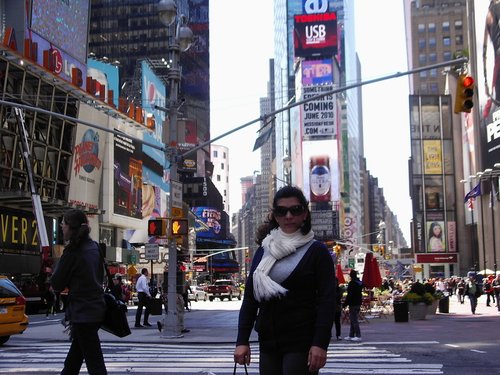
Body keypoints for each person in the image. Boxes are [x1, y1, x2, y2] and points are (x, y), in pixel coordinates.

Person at [234, 186, 335, 375]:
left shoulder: (317, 252)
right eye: (281, 211)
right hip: (268, 341)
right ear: (274, 215)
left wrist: (320, 344)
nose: (288, 216)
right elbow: (250, 299)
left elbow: (327, 301)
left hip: (301, 341)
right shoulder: (264, 251)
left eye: (295, 210)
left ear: (304, 214)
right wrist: (242, 340)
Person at [50, 209, 107, 375]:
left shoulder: (72, 252)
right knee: (73, 361)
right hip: (96, 310)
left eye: (63, 223)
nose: (61, 226)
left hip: (83, 313)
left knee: (94, 363)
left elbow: (57, 283)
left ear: (71, 227)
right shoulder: (95, 247)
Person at [343, 269, 363, 341]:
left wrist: (345, 304)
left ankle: (358, 335)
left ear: (351, 276)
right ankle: (351, 335)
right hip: (358, 302)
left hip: (353, 303)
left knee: (354, 320)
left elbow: (349, 295)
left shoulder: (352, 284)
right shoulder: (359, 283)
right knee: (353, 319)